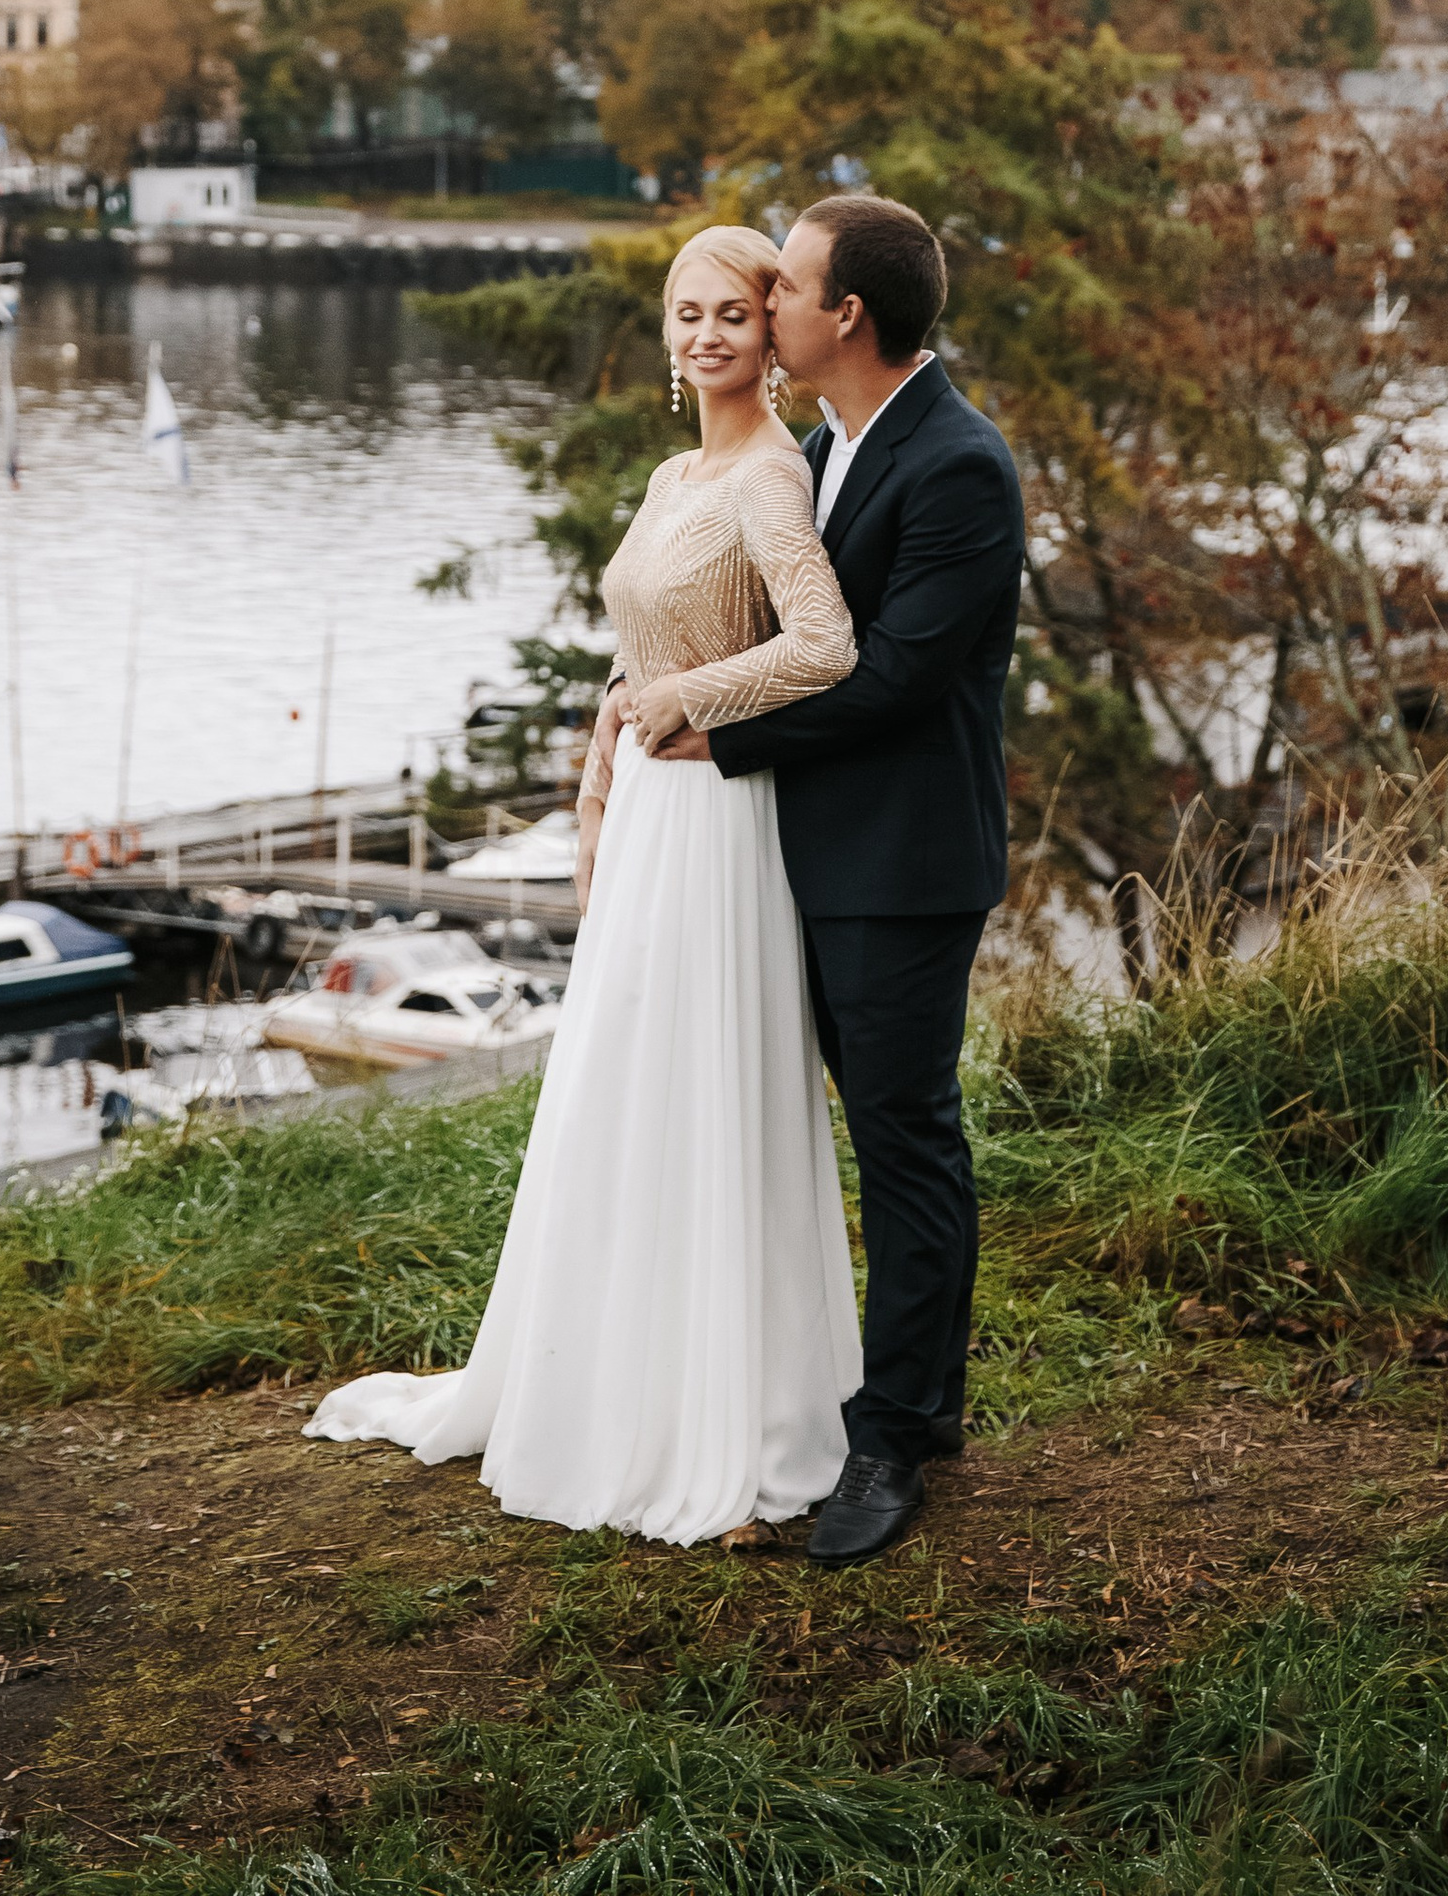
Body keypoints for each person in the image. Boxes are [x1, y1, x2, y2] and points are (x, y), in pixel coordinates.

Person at [302, 224, 866, 1545]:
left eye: (733, 312)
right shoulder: (677, 473)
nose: (706, 334)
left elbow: (827, 645)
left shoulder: (772, 480)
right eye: (684, 314)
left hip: (726, 819)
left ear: (770, 329)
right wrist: (612, 758)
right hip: (654, 816)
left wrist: (676, 700)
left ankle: (721, 1412)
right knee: (622, 1084)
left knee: (706, 1087)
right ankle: (607, 1376)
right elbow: (638, 646)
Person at [637, 192, 1024, 1567]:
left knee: (905, 1138)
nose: (767, 306)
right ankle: (800, 1394)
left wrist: (713, 732)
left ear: (845, 315)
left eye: (784, 288)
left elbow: (901, 674)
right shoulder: (828, 443)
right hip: (792, 854)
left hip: (900, 868)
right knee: (802, 1132)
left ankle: (900, 1430)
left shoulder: (959, 467)